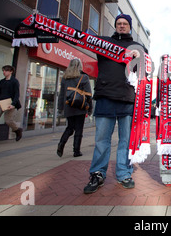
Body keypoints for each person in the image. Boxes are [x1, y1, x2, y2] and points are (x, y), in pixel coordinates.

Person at [84, 13, 146, 194]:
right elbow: (80, 38)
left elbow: (145, 70)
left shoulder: (138, 47)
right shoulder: (103, 43)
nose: (121, 26)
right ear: (115, 25)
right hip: (104, 97)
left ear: (130, 27)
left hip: (127, 99)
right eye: (118, 23)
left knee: (125, 141)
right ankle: (97, 174)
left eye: (125, 23)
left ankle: (124, 173)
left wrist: (138, 56)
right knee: (101, 141)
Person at [57, 58, 93, 158]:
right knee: (79, 129)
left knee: (70, 127)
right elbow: (89, 95)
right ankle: (76, 151)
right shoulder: (84, 77)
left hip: (68, 106)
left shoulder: (65, 77)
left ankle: (61, 143)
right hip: (80, 107)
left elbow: (61, 94)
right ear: (80, 66)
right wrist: (90, 108)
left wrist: (60, 108)